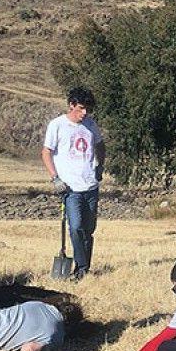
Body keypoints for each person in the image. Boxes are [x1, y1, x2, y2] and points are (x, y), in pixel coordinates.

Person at [41, 87, 105, 279]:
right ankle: (81, 268)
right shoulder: (57, 125)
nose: (84, 113)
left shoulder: (91, 125)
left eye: (87, 109)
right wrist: (55, 177)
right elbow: (46, 152)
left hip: (90, 186)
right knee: (75, 226)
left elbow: (100, 145)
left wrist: (100, 166)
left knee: (88, 229)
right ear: (71, 105)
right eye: (81, 108)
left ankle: (84, 266)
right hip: (70, 188)